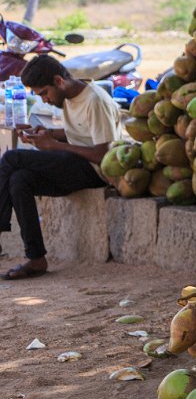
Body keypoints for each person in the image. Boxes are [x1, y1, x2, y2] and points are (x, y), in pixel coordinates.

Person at [0, 55, 122, 279]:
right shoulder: (69, 97)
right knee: (19, 179)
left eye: (44, 93)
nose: (44, 100)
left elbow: (103, 154)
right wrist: (46, 135)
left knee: (10, 159)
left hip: (95, 171)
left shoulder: (95, 100)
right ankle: (36, 258)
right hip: (75, 166)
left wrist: (53, 145)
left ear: (58, 81)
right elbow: (80, 133)